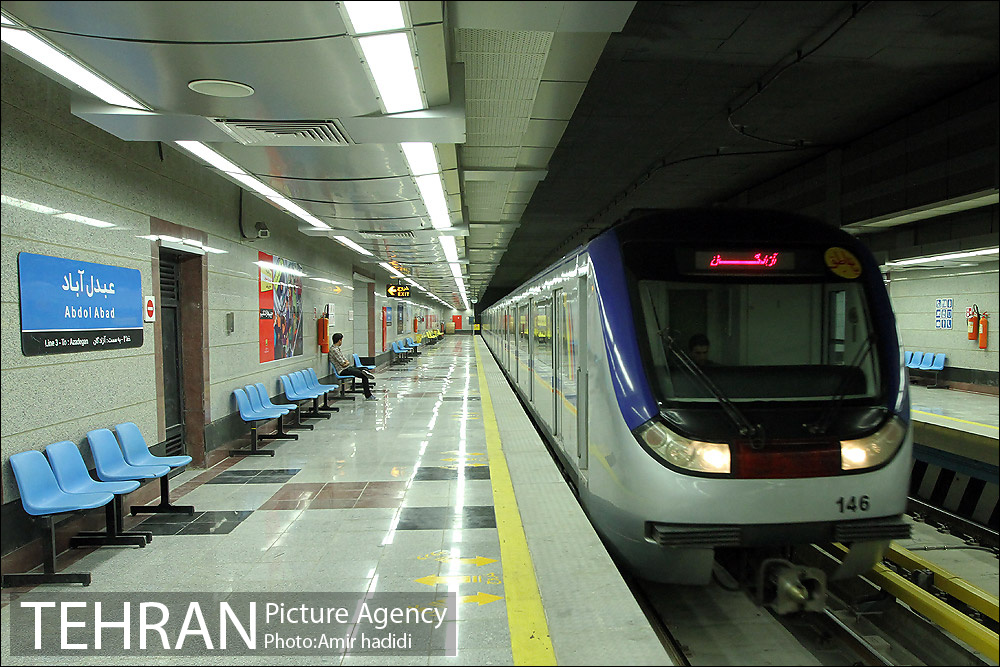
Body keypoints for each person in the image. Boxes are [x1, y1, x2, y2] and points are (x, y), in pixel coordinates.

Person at [328, 332, 376, 400]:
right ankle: (368, 395)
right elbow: (343, 363)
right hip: (343, 370)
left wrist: (346, 362)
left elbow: (345, 361)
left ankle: (365, 372)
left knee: (364, 369)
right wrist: (347, 363)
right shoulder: (334, 350)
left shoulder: (337, 349)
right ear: (339, 340)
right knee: (364, 376)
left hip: (347, 368)